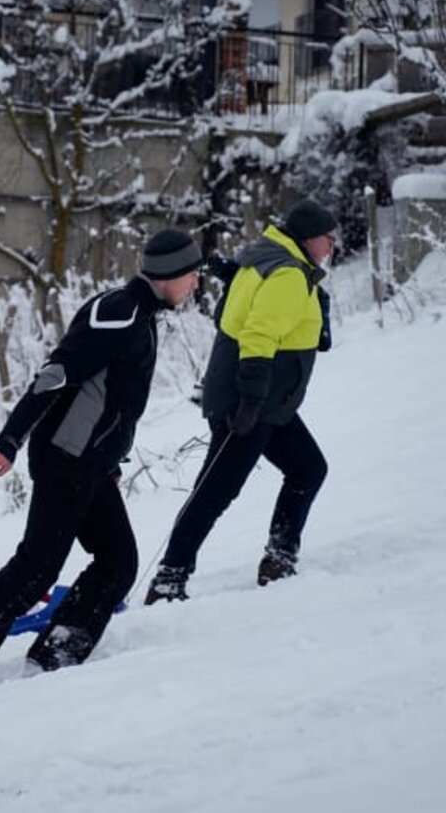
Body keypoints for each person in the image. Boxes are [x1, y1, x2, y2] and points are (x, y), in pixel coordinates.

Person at [0, 229, 204, 695]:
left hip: (90, 463)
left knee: (117, 562)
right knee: (37, 566)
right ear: (169, 274)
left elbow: (111, 401)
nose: (196, 283)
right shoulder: (119, 315)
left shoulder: (138, 314)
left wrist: (110, 457)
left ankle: (56, 654)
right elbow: (55, 376)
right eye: (191, 274)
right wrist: (8, 441)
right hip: (67, 459)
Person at [144, 200, 337, 604]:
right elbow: (259, 335)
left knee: (308, 469)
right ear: (307, 238)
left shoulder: (264, 258)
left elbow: (247, 303)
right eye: (327, 237)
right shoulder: (286, 273)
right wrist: (250, 401)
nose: (332, 244)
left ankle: (279, 558)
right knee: (216, 489)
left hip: (268, 402)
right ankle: (169, 579)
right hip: (251, 399)